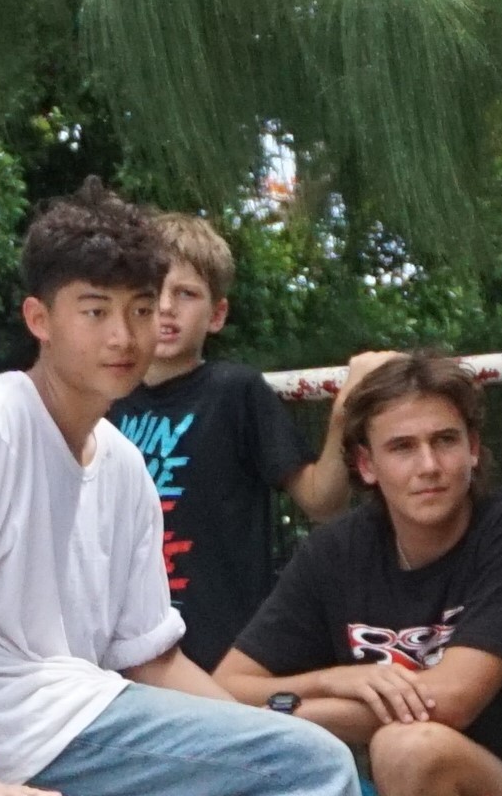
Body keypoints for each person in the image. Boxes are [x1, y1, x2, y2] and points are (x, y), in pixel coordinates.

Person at [0, 188, 359, 796]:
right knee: (312, 765)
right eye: (95, 312)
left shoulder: (122, 461)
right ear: (39, 320)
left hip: (72, 719)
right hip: (0, 741)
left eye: (139, 310)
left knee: (293, 753)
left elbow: (152, 659)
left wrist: (263, 731)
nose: (123, 336)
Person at [218, 347, 502, 796]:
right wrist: (331, 679)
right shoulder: (336, 550)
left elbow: (448, 703)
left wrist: (289, 715)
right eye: (402, 447)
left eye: (445, 441)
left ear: (473, 448)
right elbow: (227, 687)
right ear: (367, 465)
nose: (429, 466)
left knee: (408, 747)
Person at [106, 213, 360, 667]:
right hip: (119, 645)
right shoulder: (103, 401)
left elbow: (322, 502)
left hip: (224, 648)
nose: (166, 306)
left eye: (185, 293)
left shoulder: (235, 392)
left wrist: (345, 413)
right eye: (152, 292)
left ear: (217, 314)